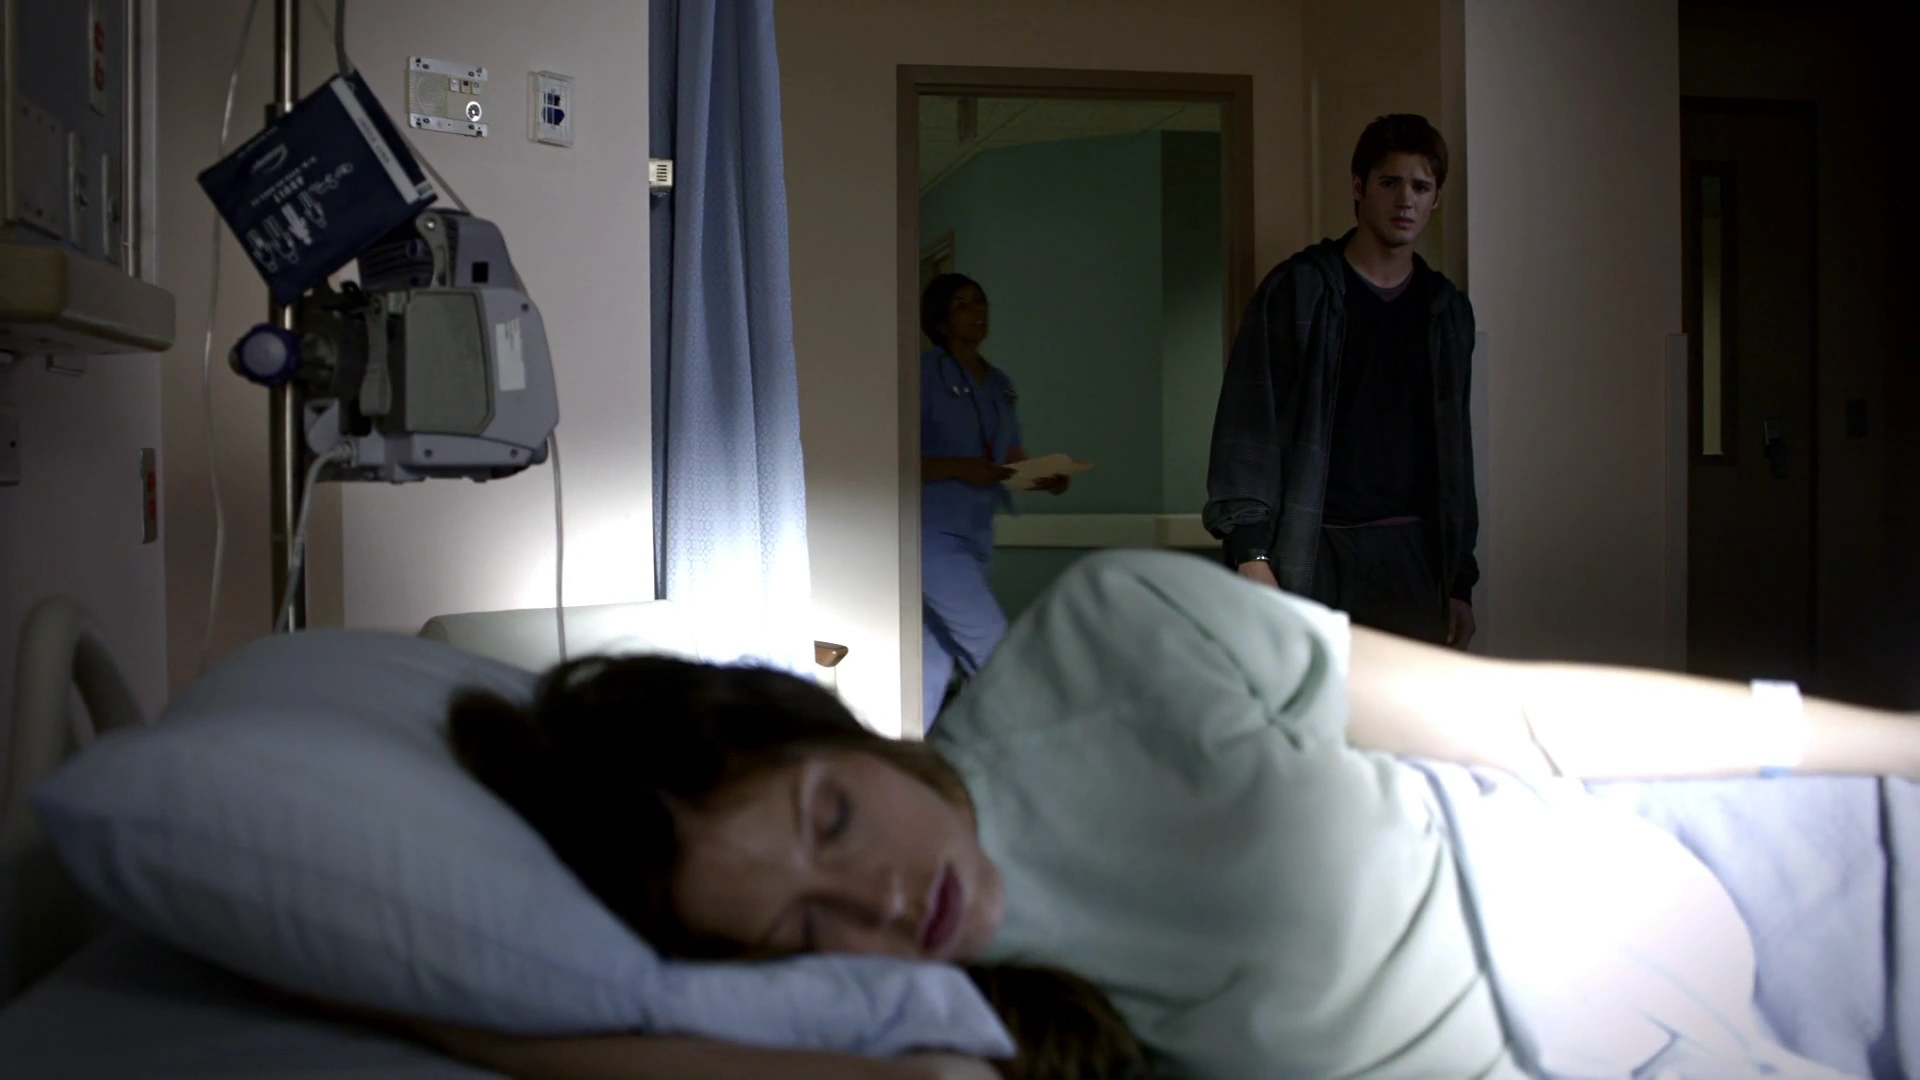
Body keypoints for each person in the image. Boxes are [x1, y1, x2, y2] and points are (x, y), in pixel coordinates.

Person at [368, 550, 1907, 1079]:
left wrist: (1892, 744)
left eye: (834, 825)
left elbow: (1519, 718)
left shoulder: (1111, 638)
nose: (878, 906)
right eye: (800, 927)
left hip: (1704, 880)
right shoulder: (928, 1013)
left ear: (833, 730)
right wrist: (416, 1007)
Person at [1206, 114, 1480, 649]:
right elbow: (1249, 424)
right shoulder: (1299, 292)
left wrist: (1459, 581)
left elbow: (1456, 456)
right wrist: (1250, 552)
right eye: (1390, 182)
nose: (1405, 201)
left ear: (1436, 200)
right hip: (1315, 547)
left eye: (1421, 187)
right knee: (1312, 696)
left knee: (1403, 700)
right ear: (1359, 188)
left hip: (1413, 555)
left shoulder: (1445, 311)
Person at [918, 273, 1068, 727]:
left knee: (933, 657)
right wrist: (959, 467)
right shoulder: (923, 374)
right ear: (940, 321)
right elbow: (896, 459)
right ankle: (1023, 745)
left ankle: (908, 749)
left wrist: (1040, 475)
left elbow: (1008, 457)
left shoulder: (999, 384)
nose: (977, 312)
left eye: (980, 301)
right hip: (931, 534)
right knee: (992, 644)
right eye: (962, 305)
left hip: (976, 532)